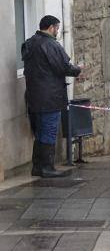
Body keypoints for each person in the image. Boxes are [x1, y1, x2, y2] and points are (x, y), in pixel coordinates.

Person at [22, 15, 82, 178]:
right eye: (57, 28)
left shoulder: (30, 43)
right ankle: (47, 167)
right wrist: (78, 69)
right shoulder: (50, 45)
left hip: (33, 96)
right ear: (51, 28)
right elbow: (63, 67)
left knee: (40, 131)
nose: (58, 31)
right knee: (48, 130)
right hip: (50, 97)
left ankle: (37, 167)